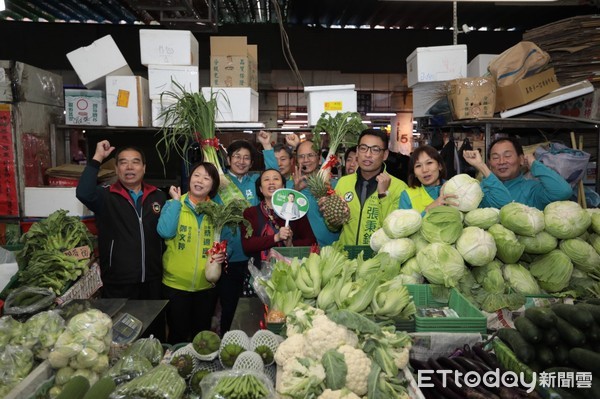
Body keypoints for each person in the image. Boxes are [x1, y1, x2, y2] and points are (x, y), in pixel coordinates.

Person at [76, 140, 166, 300]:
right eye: (123, 163)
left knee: (153, 323)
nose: (129, 167)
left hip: (153, 280)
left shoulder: (158, 196)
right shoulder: (105, 196)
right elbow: (83, 192)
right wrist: (98, 157)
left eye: (135, 162)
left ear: (144, 168)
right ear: (117, 169)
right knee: (119, 324)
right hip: (118, 282)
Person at [217, 131, 277, 335]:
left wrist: (267, 146)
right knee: (230, 307)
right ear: (228, 159)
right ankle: (229, 343)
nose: (241, 161)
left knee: (258, 305)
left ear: (252, 162)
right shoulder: (219, 183)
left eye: (246, 158)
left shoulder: (254, 182)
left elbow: (273, 175)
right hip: (229, 257)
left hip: (256, 257)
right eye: (237, 157)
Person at [157, 162, 224, 344]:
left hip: (206, 287)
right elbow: (165, 232)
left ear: (213, 185)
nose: (200, 180)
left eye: (206, 178)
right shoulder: (173, 204)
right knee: (177, 335)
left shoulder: (218, 212)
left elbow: (228, 241)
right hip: (175, 286)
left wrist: (223, 254)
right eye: (196, 175)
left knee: (201, 337)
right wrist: (177, 204)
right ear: (189, 179)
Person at [332, 128, 408, 246]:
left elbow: (396, 230)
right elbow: (333, 228)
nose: (368, 155)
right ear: (357, 151)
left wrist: (383, 195)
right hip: (347, 258)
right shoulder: (343, 183)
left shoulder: (399, 187)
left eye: (375, 150)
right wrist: (330, 216)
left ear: (385, 155)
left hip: (380, 259)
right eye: (363, 148)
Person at [463, 137, 572, 210]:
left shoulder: (532, 189)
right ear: (490, 163)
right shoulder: (480, 190)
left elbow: (563, 191)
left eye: (507, 156)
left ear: (521, 159)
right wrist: (482, 166)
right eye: (495, 157)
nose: (501, 162)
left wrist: (534, 164)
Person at [241, 169, 317, 264]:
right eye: (266, 179)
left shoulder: (296, 212)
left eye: (276, 179)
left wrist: (291, 244)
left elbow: (312, 242)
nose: (271, 182)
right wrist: (276, 237)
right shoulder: (250, 213)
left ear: (283, 186)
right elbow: (247, 245)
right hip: (260, 271)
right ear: (260, 189)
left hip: (291, 268)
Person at [290, 140, 340, 247]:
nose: (306, 160)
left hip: (333, 249)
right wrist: (295, 191)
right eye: (301, 156)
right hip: (301, 251)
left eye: (310, 155)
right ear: (296, 160)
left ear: (319, 158)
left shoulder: (335, 185)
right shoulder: (289, 187)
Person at [399, 145, 457, 214]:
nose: (424, 170)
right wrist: (428, 209)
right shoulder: (407, 196)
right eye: (418, 166)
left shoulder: (456, 188)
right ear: (414, 173)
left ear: (440, 166)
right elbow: (405, 224)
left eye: (429, 163)